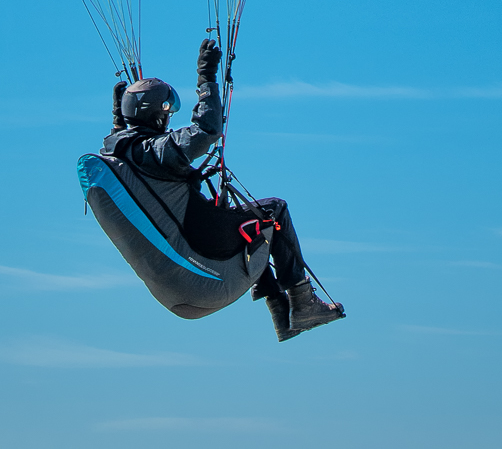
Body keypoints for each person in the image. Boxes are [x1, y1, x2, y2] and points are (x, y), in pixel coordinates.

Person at [102, 38, 344, 342]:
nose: (169, 118)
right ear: (156, 114)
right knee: (273, 210)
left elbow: (121, 142)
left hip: (186, 251)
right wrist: (206, 78)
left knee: (245, 222)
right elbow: (207, 130)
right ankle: (303, 302)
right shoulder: (157, 151)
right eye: (166, 111)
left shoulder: (122, 152)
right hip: (201, 248)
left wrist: (119, 117)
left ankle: (281, 313)